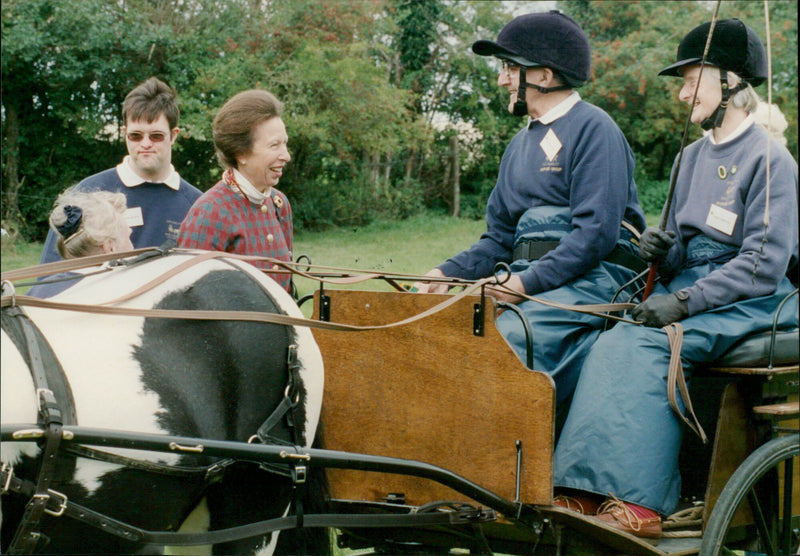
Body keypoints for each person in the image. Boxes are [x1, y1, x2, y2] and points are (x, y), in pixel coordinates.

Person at [552, 18, 798, 539]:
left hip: (750, 298)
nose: (684, 94)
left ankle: (638, 503)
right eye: (682, 84)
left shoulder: (771, 159)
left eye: (693, 81)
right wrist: (661, 248)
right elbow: (685, 240)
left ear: (731, 82)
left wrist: (684, 302)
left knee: (651, 347)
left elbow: (761, 263)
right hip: (692, 287)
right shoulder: (690, 157)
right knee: (610, 340)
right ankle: (584, 487)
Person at [415, 11, 647, 410]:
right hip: (534, 282)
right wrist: (445, 273)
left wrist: (520, 288)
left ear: (543, 75)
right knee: (444, 335)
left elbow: (595, 236)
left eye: (509, 68)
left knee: (504, 345)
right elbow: (499, 239)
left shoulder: (596, 129)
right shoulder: (518, 148)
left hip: (596, 283)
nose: (502, 79)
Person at [39, 77, 202, 263]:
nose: (145, 144)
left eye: (156, 136)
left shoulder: (197, 205)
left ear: (173, 135)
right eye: (136, 136)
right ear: (125, 134)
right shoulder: (88, 194)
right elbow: (51, 275)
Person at [177, 90, 294, 292]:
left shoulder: (279, 204)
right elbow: (188, 298)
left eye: (285, 143)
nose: (286, 156)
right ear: (240, 153)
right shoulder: (210, 212)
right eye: (274, 145)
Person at [28, 190, 134, 298]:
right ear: (110, 248)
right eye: (128, 237)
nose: (133, 247)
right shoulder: (128, 292)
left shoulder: (36, 293)